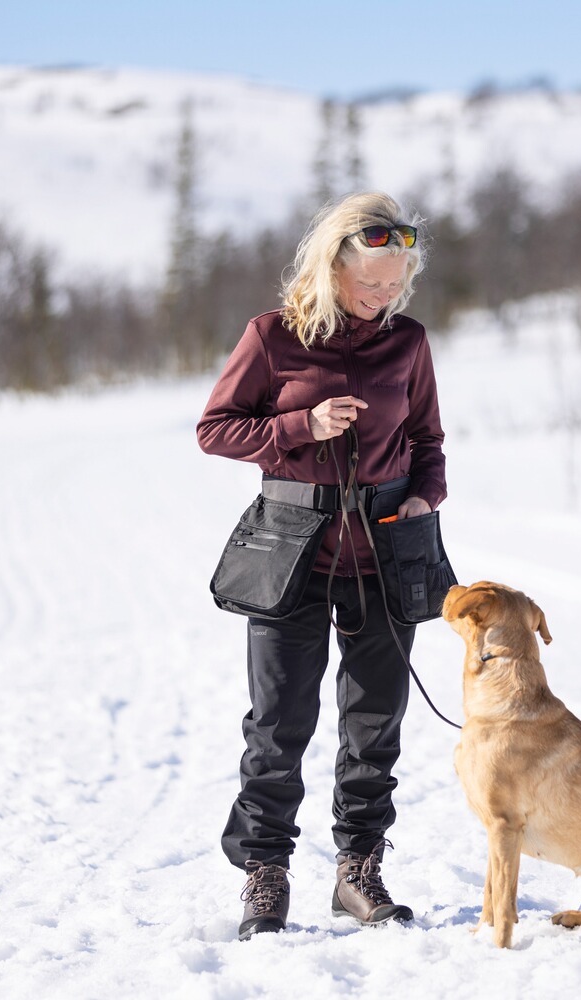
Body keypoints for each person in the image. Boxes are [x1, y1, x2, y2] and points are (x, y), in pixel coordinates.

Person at [196, 191, 447, 939]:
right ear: (331, 266)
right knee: (279, 723)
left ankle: (358, 871)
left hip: (386, 549)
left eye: (394, 284)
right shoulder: (272, 338)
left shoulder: (407, 342)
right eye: (370, 283)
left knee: (376, 722)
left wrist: (427, 497)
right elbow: (215, 429)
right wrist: (301, 424)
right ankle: (265, 874)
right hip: (289, 551)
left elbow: (430, 440)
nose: (382, 297)